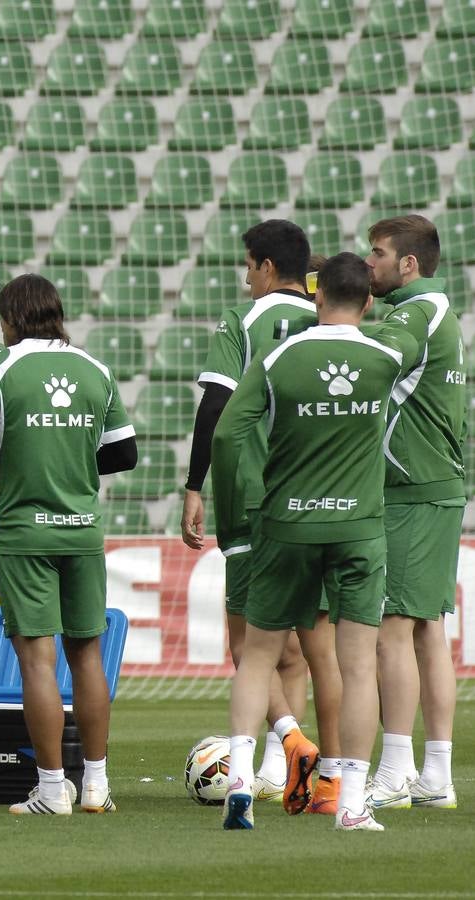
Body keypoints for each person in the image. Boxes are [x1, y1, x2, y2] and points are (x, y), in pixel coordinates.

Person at [214, 252, 410, 832]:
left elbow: (228, 435)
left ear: (316, 297)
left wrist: (231, 519)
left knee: (258, 657)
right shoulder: (388, 356)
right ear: (369, 301)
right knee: (355, 667)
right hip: (357, 527)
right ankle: (349, 800)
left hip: (285, 525)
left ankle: (243, 778)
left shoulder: (279, 355)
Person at [0, 274, 137, 816]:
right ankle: (97, 785)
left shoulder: (0, 369)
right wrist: (70, 457)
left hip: (25, 532)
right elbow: (123, 455)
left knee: (36, 661)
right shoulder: (94, 369)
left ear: (8, 319)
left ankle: (53, 790)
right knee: (87, 656)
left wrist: (12, 446)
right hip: (82, 530)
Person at [181, 219, 331, 813]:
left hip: (249, 494)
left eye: (247, 265)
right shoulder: (330, 319)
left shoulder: (242, 322)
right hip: (316, 495)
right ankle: (281, 768)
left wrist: (194, 487)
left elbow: (216, 406)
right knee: (296, 645)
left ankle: (290, 742)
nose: (245, 277)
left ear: (267, 266)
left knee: (248, 645)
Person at [363, 216, 461, 812]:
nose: (368, 263)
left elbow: (373, 367)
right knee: (428, 632)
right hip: (436, 486)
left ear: (408, 265)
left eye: (377, 254)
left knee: (392, 631)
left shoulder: (411, 316)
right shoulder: (437, 313)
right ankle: (437, 774)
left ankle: (396, 770)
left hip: (411, 489)